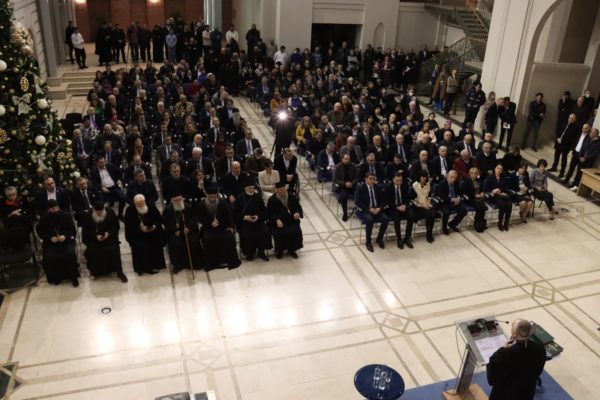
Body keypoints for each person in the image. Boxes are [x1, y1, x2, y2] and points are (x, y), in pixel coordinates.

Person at [486, 319, 546, 400]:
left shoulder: (506, 354)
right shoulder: (540, 349)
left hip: (506, 395)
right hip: (527, 393)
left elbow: (492, 379)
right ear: (530, 332)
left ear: (514, 334)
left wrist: (502, 350)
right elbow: (538, 370)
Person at [195, 187, 241, 270]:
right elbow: (199, 218)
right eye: (210, 196)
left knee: (229, 237)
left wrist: (231, 226)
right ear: (207, 196)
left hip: (223, 227)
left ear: (217, 196)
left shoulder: (222, 202)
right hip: (208, 228)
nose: (212, 198)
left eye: (214, 196)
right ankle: (212, 263)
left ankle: (227, 260)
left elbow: (229, 215)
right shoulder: (202, 204)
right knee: (208, 239)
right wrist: (210, 223)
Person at [36, 200, 79, 287]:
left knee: (70, 254)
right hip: (51, 243)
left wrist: (65, 236)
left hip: (66, 241)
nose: (55, 210)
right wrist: (50, 238)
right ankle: (56, 277)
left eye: (56, 208)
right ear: (49, 210)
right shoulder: (44, 219)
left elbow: (72, 230)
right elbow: (41, 233)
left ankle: (73, 277)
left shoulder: (66, 216)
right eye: (53, 209)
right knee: (50, 257)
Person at [82, 201, 127, 282]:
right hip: (94, 239)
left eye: (101, 212)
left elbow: (115, 226)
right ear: (94, 210)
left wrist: (108, 233)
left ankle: (119, 272)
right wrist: (95, 236)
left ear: (103, 209)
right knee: (92, 251)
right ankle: (95, 272)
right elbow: (86, 230)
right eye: (97, 212)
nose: (99, 213)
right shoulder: (89, 214)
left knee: (114, 249)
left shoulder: (110, 212)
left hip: (109, 238)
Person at [124, 194, 166, 275]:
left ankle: (156, 265)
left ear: (144, 201)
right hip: (137, 234)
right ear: (135, 203)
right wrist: (139, 229)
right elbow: (128, 225)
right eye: (138, 204)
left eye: (142, 203)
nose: (141, 205)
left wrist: (154, 226)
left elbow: (159, 219)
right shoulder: (130, 210)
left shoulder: (151, 207)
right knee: (140, 245)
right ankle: (142, 268)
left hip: (152, 232)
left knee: (156, 241)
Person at [163, 194, 203, 273]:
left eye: (180, 199)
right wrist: (175, 230)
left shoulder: (187, 206)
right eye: (176, 200)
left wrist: (188, 227)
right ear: (172, 201)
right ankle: (178, 265)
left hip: (187, 231)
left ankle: (194, 264)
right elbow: (166, 222)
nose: (178, 201)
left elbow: (193, 219)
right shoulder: (168, 209)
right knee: (176, 244)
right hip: (175, 233)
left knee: (193, 242)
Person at [234, 182, 272, 261]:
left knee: (265, 231)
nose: (251, 190)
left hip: (258, 221)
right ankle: (250, 253)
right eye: (249, 188)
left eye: (253, 188)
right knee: (248, 234)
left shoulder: (258, 197)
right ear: (245, 188)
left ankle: (261, 252)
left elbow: (263, 211)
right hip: (245, 222)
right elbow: (235, 213)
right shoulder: (240, 198)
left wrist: (258, 217)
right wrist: (245, 217)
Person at [266, 182, 304, 259]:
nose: (283, 191)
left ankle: (292, 249)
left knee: (295, 230)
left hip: (291, 219)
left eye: (284, 189)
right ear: (277, 190)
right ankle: (279, 251)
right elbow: (269, 213)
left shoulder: (291, 196)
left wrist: (297, 213)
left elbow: (298, 207)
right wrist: (276, 219)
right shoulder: (272, 200)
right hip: (279, 222)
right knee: (280, 233)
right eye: (280, 190)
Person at [355, 173, 390, 252]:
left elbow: (382, 200)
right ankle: (368, 242)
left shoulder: (377, 187)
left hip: (377, 209)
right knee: (370, 220)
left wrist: (379, 208)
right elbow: (357, 202)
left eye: (373, 179)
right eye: (370, 179)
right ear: (366, 179)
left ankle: (379, 239)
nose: (372, 180)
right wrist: (368, 209)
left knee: (386, 219)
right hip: (366, 210)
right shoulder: (361, 188)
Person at [384, 172, 414, 249]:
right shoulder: (388, 187)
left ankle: (407, 238)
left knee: (411, 216)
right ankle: (399, 239)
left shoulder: (404, 186)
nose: (399, 182)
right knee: (397, 218)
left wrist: (405, 205)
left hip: (403, 206)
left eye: (400, 180)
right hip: (393, 208)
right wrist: (397, 207)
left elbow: (408, 198)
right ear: (393, 180)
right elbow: (387, 201)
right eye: (397, 180)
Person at [435, 170, 467, 235]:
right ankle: (444, 227)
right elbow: (442, 197)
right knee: (447, 212)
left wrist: (459, 198)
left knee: (464, 211)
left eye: (455, 178)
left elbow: (461, 192)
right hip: (444, 202)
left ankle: (452, 224)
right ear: (448, 176)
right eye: (452, 177)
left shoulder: (456, 183)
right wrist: (453, 200)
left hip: (455, 202)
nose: (453, 179)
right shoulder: (442, 184)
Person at [0, 186, 33, 250]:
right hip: (10, 222)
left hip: (23, 221)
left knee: (21, 228)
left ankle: (22, 245)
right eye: (9, 195)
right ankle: (13, 246)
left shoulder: (23, 199)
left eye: (14, 194)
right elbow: (2, 216)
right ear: (6, 195)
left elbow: (30, 212)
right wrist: (11, 214)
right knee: (11, 229)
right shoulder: (2, 203)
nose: (12, 197)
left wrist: (20, 214)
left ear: (16, 193)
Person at [484, 164, 513, 231]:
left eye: (501, 169)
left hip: (502, 195)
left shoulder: (504, 177)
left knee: (509, 204)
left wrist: (499, 189)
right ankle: (500, 223)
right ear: (495, 169)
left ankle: (506, 223)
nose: (499, 170)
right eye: (498, 168)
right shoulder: (490, 177)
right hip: (494, 196)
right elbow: (486, 189)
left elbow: (506, 187)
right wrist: (493, 191)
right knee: (502, 204)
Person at [411, 171, 436, 243]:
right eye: (422, 177)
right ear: (419, 177)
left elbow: (429, 195)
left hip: (427, 204)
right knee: (428, 214)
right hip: (418, 205)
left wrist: (428, 203)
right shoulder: (415, 185)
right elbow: (414, 199)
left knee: (433, 214)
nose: (423, 179)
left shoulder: (428, 184)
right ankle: (428, 234)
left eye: (425, 177)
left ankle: (430, 232)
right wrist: (423, 205)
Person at [333, 153, 358, 221]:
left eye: (348, 159)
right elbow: (334, 180)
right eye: (345, 159)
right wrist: (344, 184)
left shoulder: (353, 166)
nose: (347, 161)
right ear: (342, 159)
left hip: (352, 185)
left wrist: (352, 183)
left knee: (360, 193)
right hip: (342, 186)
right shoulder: (338, 167)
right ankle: (345, 213)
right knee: (344, 196)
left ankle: (356, 210)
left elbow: (356, 178)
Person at [462, 167, 488, 232]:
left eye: (475, 173)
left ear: (477, 174)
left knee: (483, 207)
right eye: (472, 173)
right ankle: (477, 223)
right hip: (470, 199)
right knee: (479, 207)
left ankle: (480, 222)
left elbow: (482, 189)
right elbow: (465, 192)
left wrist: (482, 193)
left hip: (479, 198)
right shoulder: (466, 181)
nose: (474, 175)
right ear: (470, 174)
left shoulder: (479, 180)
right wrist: (475, 195)